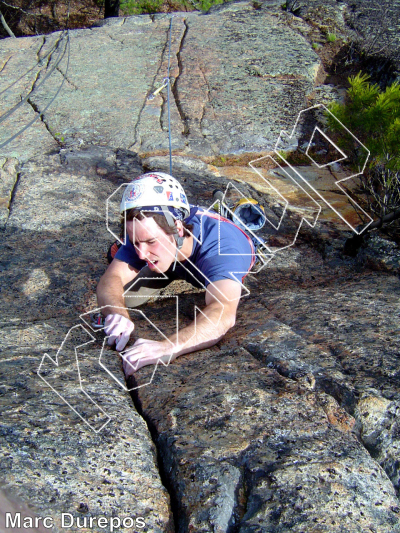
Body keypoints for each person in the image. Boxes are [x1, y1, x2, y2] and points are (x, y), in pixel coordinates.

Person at [96, 172, 255, 376]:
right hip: (171, 257)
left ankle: (228, 211)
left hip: (208, 256)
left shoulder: (224, 250)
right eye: (135, 242)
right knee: (125, 299)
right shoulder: (149, 231)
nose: (142, 253)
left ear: (178, 229)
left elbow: (223, 312)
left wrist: (168, 347)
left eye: (151, 241)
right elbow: (112, 279)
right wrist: (116, 314)